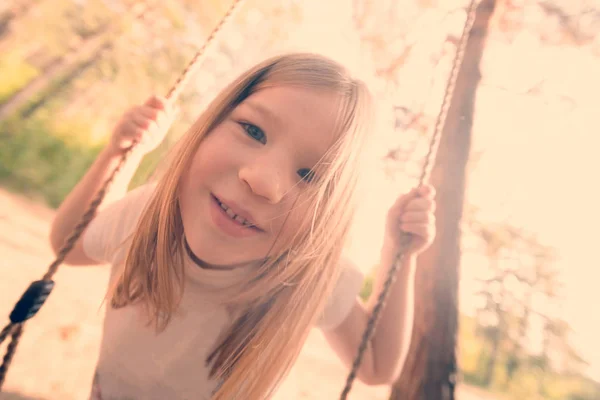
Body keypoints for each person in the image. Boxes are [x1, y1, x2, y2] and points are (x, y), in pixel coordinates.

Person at [49, 53, 436, 400]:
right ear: (210, 125)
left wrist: (396, 253)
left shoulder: (308, 275)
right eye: (253, 130)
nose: (262, 180)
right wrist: (120, 155)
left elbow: (375, 365)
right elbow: (69, 245)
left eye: (310, 175)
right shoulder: (148, 213)